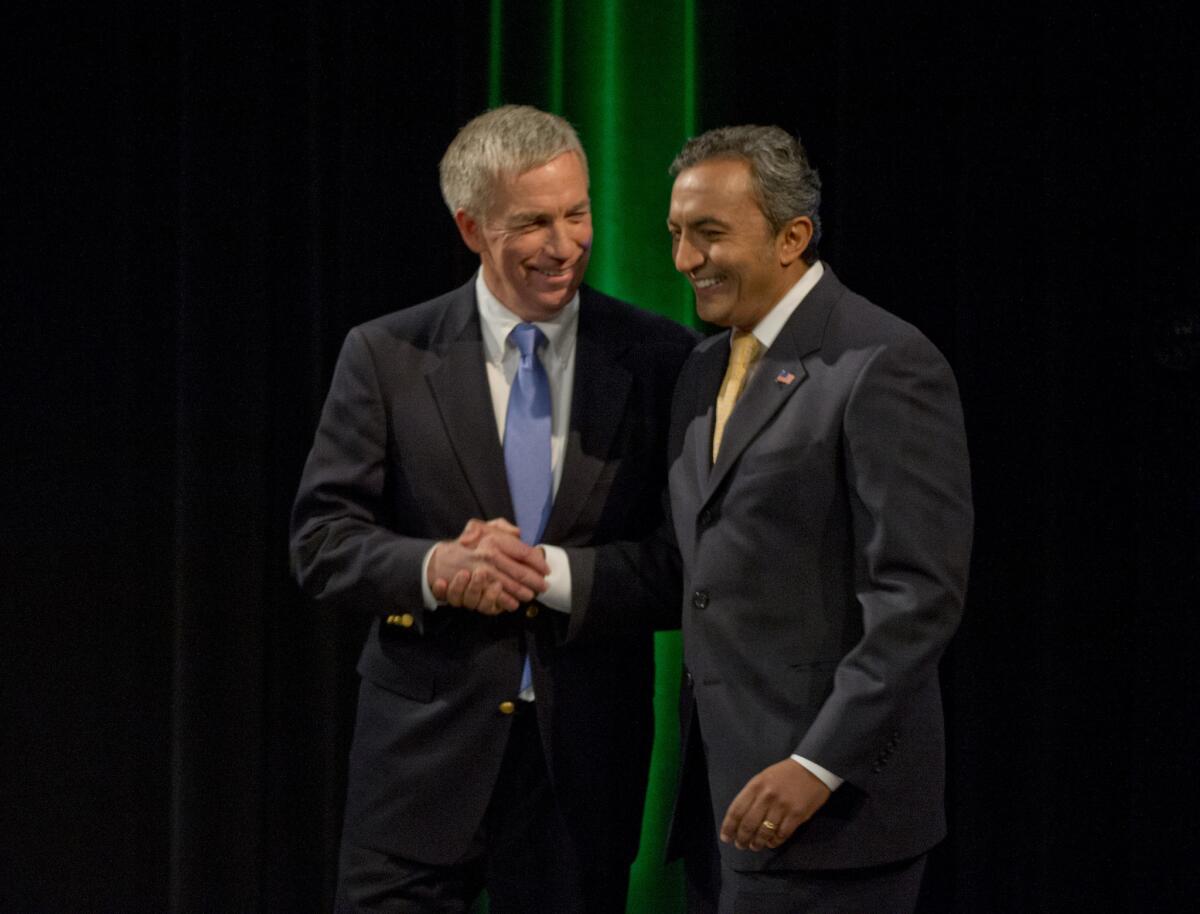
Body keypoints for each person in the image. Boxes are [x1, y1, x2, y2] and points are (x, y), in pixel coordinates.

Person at [290, 105, 696, 913]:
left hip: (581, 768)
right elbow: (322, 542)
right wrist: (437, 567)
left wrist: (550, 575)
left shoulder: (660, 358)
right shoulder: (385, 354)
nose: (566, 244)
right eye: (533, 222)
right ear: (471, 228)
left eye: (577, 213)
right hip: (415, 768)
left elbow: (685, 563)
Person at [663, 125, 974, 913]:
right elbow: (702, 567)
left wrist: (817, 764)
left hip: (830, 817)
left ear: (791, 236)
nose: (685, 261)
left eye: (709, 235)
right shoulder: (701, 370)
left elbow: (917, 596)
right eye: (675, 235)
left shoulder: (883, 361)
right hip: (721, 803)